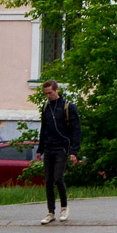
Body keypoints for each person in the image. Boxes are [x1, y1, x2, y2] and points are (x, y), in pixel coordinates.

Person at [36, 80, 80, 225]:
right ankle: (50, 212)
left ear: (57, 90)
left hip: (62, 148)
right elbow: (44, 129)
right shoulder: (46, 108)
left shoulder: (68, 107)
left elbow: (76, 130)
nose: (48, 96)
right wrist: (40, 149)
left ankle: (64, 207)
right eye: (46, 94)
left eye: (50, 93)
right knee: (48, 180)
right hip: (49, 147)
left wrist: (74, 151)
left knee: (58, 178)